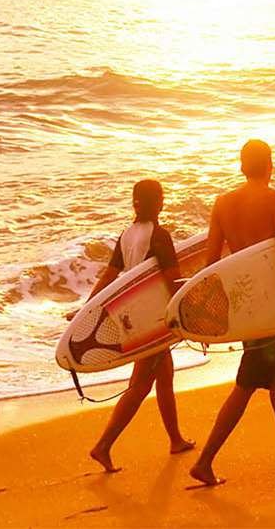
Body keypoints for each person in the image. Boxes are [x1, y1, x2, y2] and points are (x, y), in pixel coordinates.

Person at [188, 140, 275, 486]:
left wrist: (204, 316)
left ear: (241, 166)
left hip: (242, 301)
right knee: (249, 381)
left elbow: (210, 263)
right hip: (268, 300)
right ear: (270, 166)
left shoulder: (222, 204)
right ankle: (205, 461)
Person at [78, 180, 196, 472]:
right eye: (161, 197)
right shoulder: (160, 235)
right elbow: (171, 278)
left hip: (133, 315)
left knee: (164, 375)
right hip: (153, 318)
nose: (163, 202)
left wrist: (87, 307)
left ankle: (176, 439)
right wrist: (188, 308)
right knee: (141, 384)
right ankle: (103, 446)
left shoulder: (127, 235)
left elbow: (110, 275)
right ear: (157, 202)